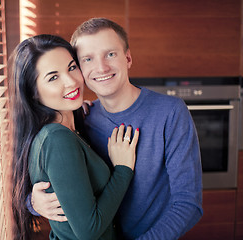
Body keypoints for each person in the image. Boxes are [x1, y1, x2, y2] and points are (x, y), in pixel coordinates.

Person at [31, 18, 203, 239]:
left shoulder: (170, 113)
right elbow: (58, 178)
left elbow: (188, 204)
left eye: (110, 54)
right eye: (88, 59)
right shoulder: (81, 117)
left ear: (128, 58)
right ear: (80, 69)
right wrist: (34, 202)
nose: (101, 67)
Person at [10, 34, 140, 240]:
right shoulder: (56, 139)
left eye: (72, 67)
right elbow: (89, 231)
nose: (71, 81)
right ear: (33, 91)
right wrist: (123, 170)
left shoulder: (71, 126)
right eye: (53, 77)